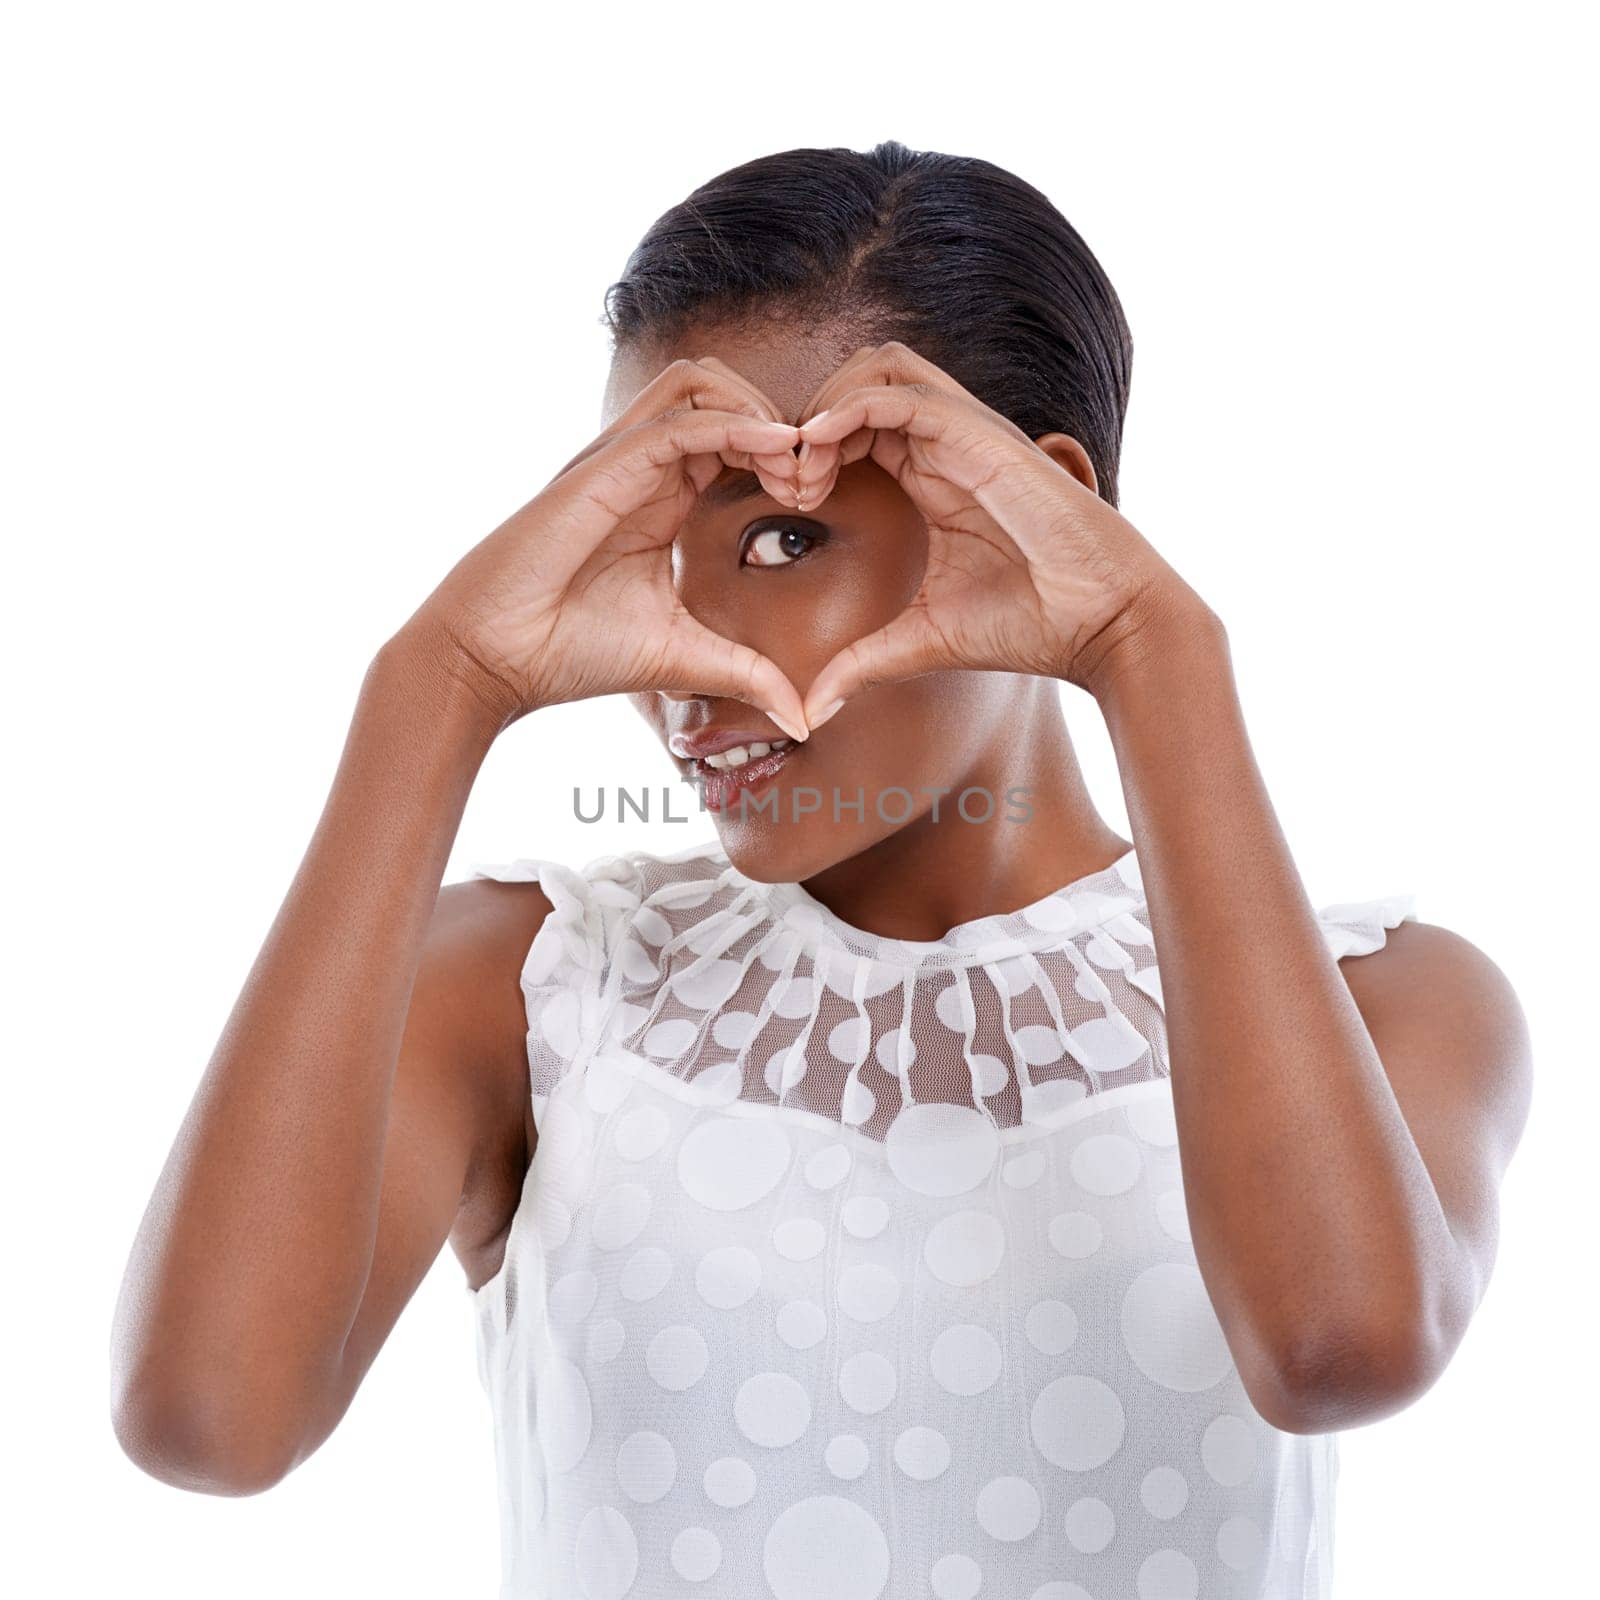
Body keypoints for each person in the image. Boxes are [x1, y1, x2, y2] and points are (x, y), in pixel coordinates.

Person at [110, 140, 1533, 1599]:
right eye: (655, 550)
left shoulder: (1389, 1000)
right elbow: (210, 1420)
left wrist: (1157, 653)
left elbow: (1340, 1348)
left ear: (1042, 516)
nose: (688, 660)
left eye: (781, 539)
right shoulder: (533, 992)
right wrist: (438, 682)